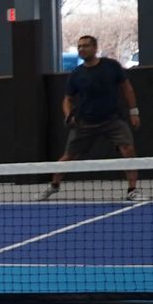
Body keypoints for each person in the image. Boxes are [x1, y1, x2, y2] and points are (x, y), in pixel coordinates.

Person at [41, 36, 142, 202]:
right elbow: (67, 99)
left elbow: (127, 88)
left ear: (95, 48)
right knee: (67, 157)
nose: (82, 49)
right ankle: (54, 186)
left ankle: (132, 190)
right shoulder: (76, 74)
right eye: (79, 46)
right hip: (85, 123)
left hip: (113, 120)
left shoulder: (111, 66)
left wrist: (134, 111)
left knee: (128, 150)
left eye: (86, 46)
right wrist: (68, 115)